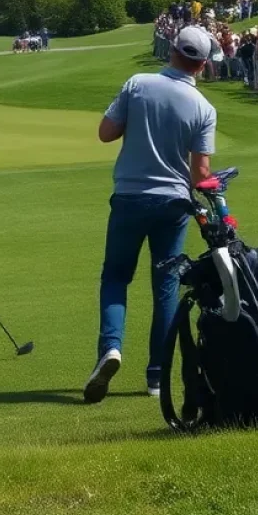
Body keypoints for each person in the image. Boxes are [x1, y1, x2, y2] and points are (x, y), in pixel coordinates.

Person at [85, 25, 217, 403]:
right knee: (166, 289)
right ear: (202, 64)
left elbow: (106, 133)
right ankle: (156, 375)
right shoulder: (203, 108)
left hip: (129, 197)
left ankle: (110, 348)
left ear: (172, 50)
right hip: (174, 203)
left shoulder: (138, 83)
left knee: (115, 277)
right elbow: (201, 174)